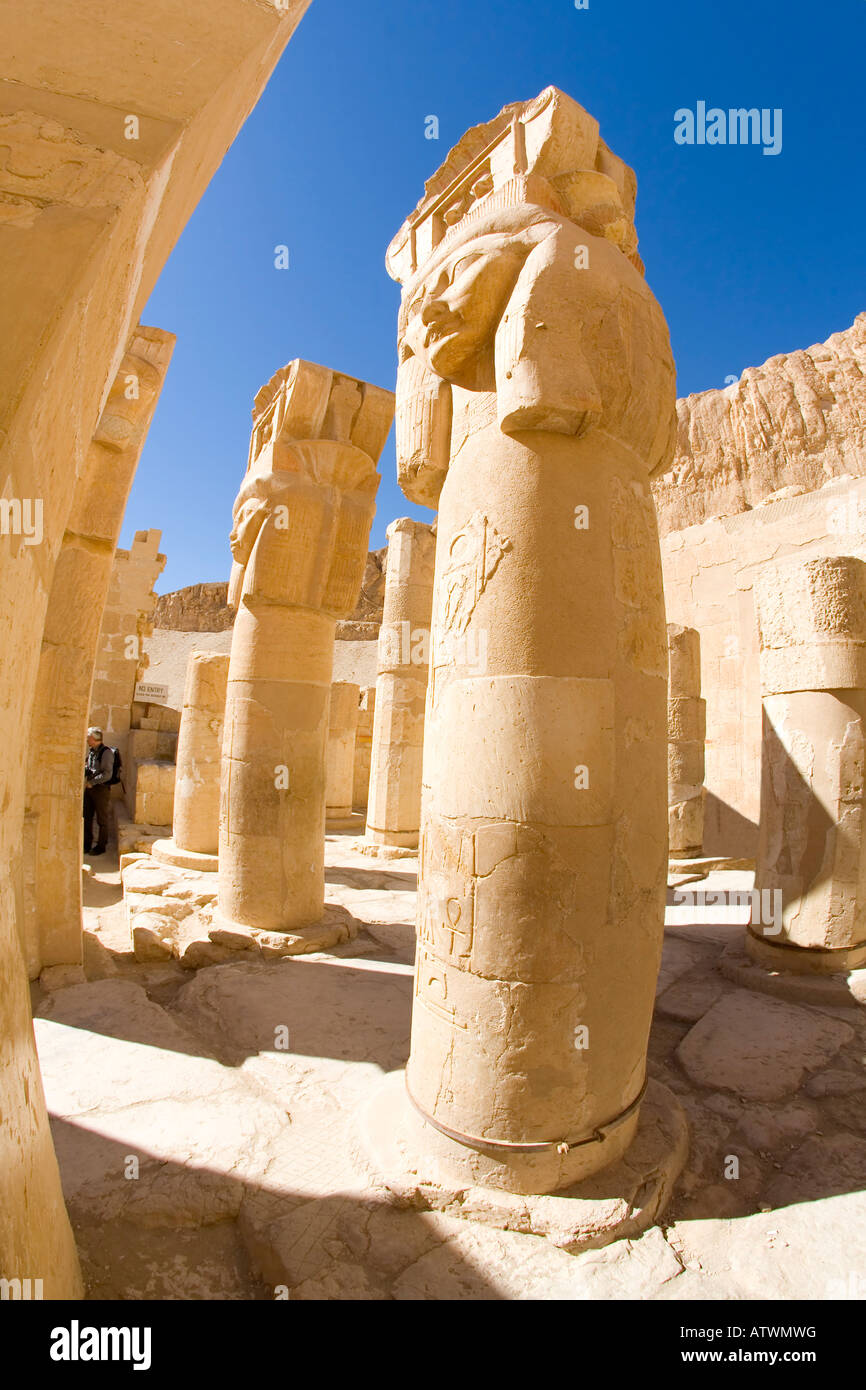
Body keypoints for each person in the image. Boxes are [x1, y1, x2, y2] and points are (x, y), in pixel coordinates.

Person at [83, 727, 113, 856]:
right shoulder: (92, 751)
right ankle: (86, 845)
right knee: (87, 817)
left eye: (88, 737)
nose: (87, 740)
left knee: (102, 819)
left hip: (100, 789)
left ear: (94, 739)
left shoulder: (106, 753)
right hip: (90, 789)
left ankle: (101, 846)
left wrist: (92, 782)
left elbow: (107, 774)